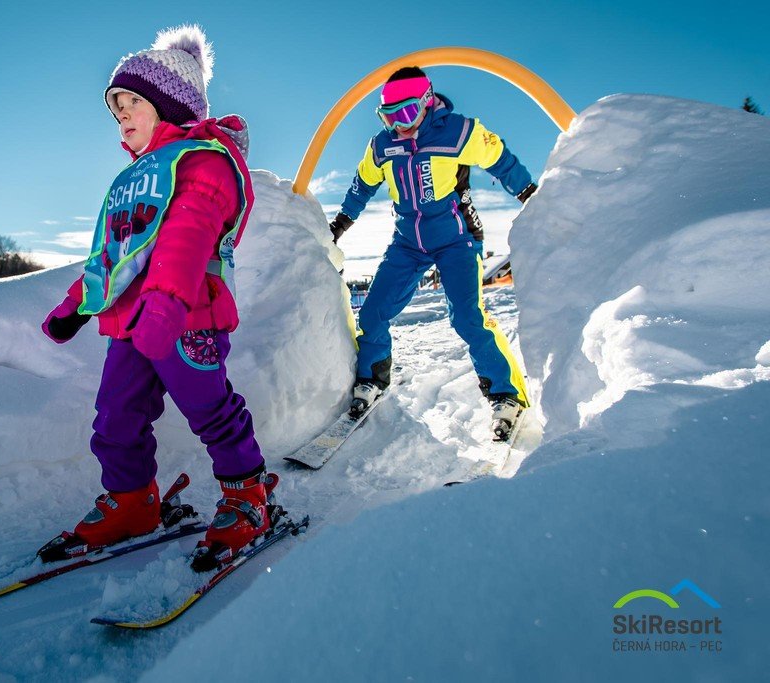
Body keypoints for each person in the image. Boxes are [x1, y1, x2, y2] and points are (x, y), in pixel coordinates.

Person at [40, 25, 273, 572]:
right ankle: (131, 502)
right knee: (116, 416)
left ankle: (248, 496)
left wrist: (167, 304)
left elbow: (186, 237)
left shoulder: (203, 162)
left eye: (131, 102)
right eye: (114, 105)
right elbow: (116, 255)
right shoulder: (137, 176)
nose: (120, 113)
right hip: (129, 322)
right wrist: (77, 302)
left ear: (168, 104)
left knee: (210, 408)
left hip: (186, 314)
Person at [329, 66, 538, 440]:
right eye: (388, 117)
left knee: (468, 318)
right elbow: (362, 184)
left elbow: (500, 158)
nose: (399, 125)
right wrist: (342, 222)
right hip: (408, 243)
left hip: (457, 239)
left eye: (406, 114)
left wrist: (529, 195)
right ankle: (372, 379)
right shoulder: (382, 145)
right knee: (374, 312)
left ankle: (506, 395)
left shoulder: (458, 131)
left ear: (426, 102)